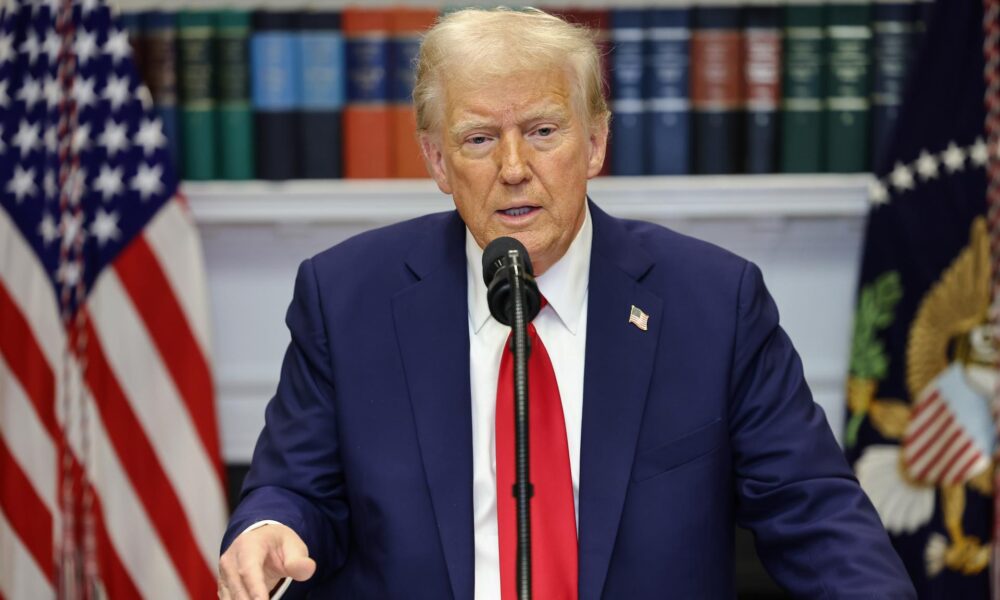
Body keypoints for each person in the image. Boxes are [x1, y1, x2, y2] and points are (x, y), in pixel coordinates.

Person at [218, 8, 915, 599]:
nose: (514, 167)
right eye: (479, 139)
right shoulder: (347, 299)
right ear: (436, 161)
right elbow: (294, 489)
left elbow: (816, 512)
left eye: (544, 131)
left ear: (596, 142)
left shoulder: (713, 302)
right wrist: (271, 528)